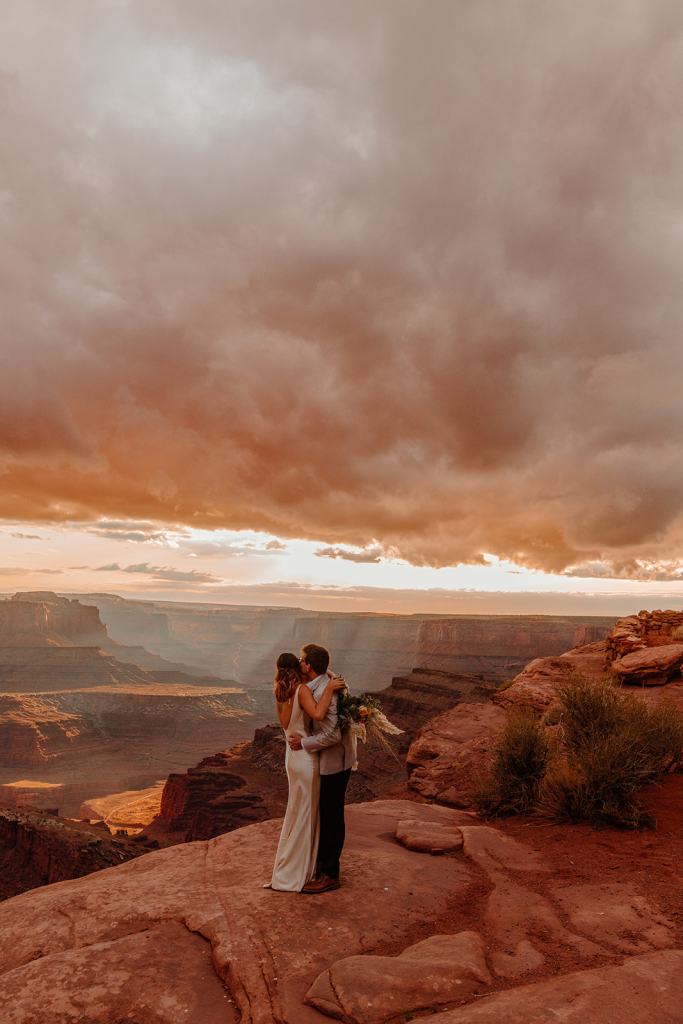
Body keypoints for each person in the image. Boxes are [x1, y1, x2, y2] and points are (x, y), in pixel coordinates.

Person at [269, 652, 345, 892]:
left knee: (295, 809)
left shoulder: (279, 691)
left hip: (290, 757)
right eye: (300, 662)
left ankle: (290, 866)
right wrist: (330, 688)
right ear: (298, 668)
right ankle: (303, 869)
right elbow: (319, 715)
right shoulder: (301, 690)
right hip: (305, 758)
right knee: (307, 814)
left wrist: (328, 677)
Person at [288, 643, 357, 894]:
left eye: (302, 659)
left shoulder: (322, 692)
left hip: (334, 763)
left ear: (308, 666)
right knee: (328, 814)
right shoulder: (329, 680)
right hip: (338, 760)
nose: (299, 661)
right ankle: (323, 866)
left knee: (331, 817)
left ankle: (329, 874)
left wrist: (302, 743)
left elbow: (332, 735)